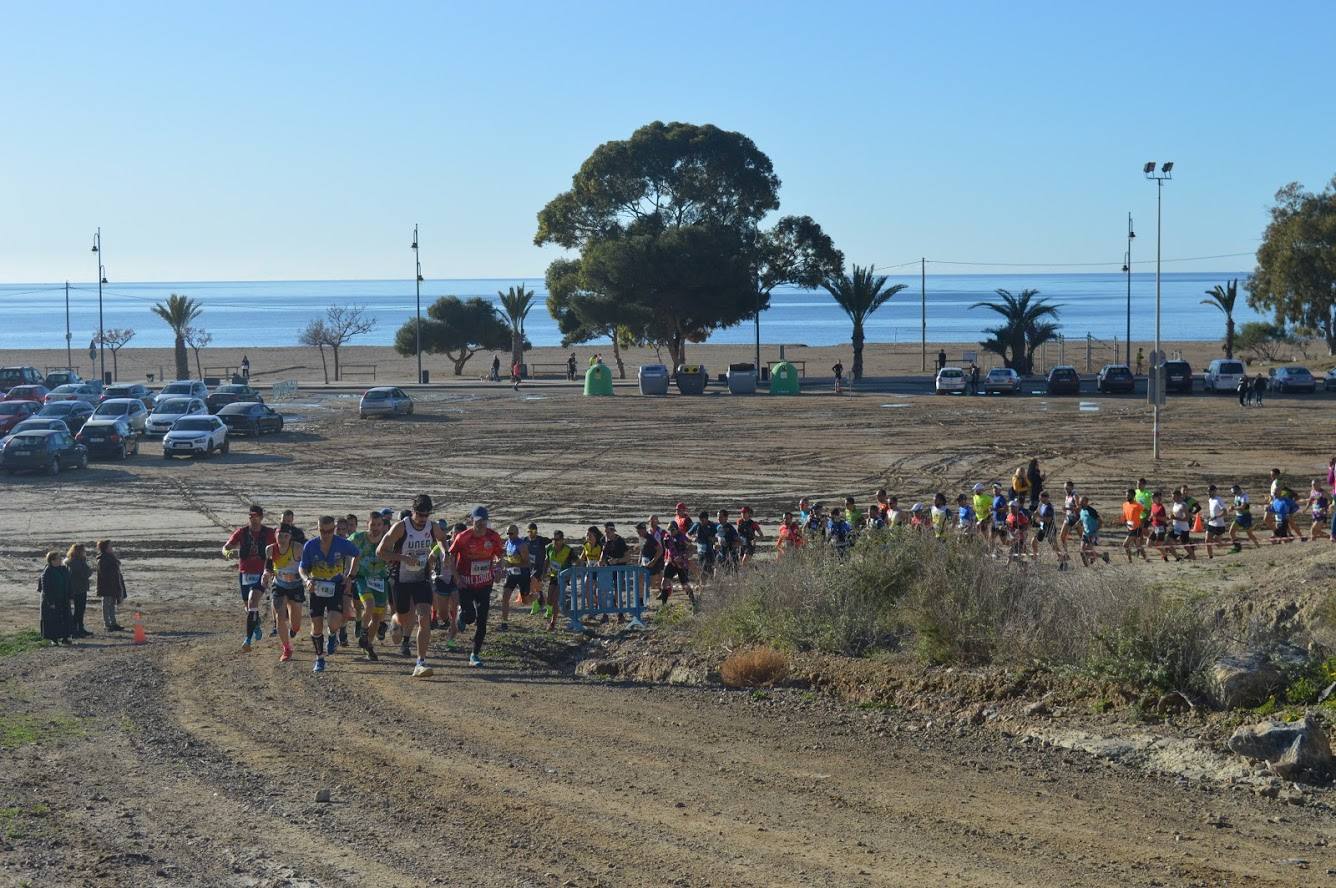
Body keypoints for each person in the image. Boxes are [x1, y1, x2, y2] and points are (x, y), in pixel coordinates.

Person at [377, 494, 450, 676]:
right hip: (400, 578)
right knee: (404, 618)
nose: (422, 519)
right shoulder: (401, 527)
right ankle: (394, 620)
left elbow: (442, 539)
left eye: (426, 515)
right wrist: (403, 558)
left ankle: (421, 662)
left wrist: (445, 553)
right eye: (419, 515)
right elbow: (381, 552)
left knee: (424, 618)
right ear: (413, 511)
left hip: (421, 577)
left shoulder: (431, 527)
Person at [299, 516, 360, 674]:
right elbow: (302, 568)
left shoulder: (342, 543)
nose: (325, 534)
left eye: (328, 531)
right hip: (316, 588)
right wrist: (306, 580)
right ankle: (319, 658)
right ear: (318, 529)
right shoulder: (310, 546)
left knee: (333, 623)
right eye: (321, 531)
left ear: (333, 529)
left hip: (336, 587)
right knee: (316, 626)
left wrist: (351, 577)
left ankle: (333, 634)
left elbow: (357, 554)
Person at [449, 506, 504, 667]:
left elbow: (500, 556)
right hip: (466, 583)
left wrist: (499, 569)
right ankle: (462, 615)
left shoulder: (493, 537)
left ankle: (475, 654)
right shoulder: (463, 537)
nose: (481, 525)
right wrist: (456, 578)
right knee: (470, 616)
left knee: (482, 621)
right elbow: (451, 557)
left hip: (485, 584)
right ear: (472, 521)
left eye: (484, 521)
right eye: (478, 521)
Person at [223, 504, 277, 653]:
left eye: (255, 516)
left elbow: (278, 548)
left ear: (261, 517)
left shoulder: (269, 533)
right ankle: (256, 624)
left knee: (253, 601)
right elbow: (227, 546)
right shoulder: (242, 532)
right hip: (244, 573)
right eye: (250, 516)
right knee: (248, 607)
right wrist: (227, 552)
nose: (252, 519)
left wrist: (274, 568)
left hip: (262, 572)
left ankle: (247, 640)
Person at [350, 511, 391, 660]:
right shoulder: (358, 538)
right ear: (367, 524)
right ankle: (363, 632)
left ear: (383, 526)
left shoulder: (387, 541)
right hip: (363, 578)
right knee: (369, 605)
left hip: (381, 581)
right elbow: (343, 547)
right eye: (372, 524)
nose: (376, 527)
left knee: (378, 617)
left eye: (379, 524)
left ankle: (368, 644)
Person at [265, 524, 305, 662]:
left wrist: (298, 577)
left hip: (296, 587)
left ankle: (293, 630)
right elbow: (268, 567)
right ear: (275, 535)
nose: (282, 539)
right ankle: (286, 648)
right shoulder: (270, 549)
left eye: (285, 536)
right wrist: (265, 574)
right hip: (279, 586)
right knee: (279, 618)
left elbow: (308, 567)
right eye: (279, 535)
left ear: (290, 537)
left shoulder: (298, 548)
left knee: (296, 624)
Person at [545, 530, 578, 630]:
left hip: (563, 578)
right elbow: (547, 560)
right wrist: (543, 572)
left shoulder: (568, 550)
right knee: (549, 601)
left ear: (562, 540)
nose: (555, 541)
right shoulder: (550, 548)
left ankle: (552, 623)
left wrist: (573, 573)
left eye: (557, 539)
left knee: (555, 599)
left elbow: (579, 562)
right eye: (554, 539)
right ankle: (565, 601)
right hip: (553, 576)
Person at [38, 551, 74, 645]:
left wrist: (70, 596)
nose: (60, 560)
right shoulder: (47, 571)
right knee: (53, 620)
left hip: (63, 598)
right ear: (52, 560)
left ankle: (65, 638)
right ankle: (54, 639)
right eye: (58, 558)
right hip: (53, 600)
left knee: (65, 618)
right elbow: (46, 589)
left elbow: (69, 583)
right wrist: (51, 602)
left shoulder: (63, 569)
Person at [499, 524, 530, 631]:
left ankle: (538, 597)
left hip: (523, 574)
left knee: (525, 601)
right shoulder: (508, 542)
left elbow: (527, 564)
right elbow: (505, 555)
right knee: (505, 597)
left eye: (511, 533)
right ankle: (504, 622)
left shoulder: (522, 545)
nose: (509, 535)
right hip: (511, 574)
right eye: (507, 533)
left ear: (517, 533)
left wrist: (513, 565)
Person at [95, 540, 127, 632]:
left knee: (112, 605)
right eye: (110, 546)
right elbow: (104, 575)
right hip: (106, 587)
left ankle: (113, 623)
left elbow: (116, 573)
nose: (111, 548)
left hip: (113, 585)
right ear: (105, 548)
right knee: (106, 605)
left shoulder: (111, 557)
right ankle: (107, 625)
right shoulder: (102, 559)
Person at [64, 543, 92, 637]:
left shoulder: (75, 561)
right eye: (83, 550)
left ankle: (80, 628)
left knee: (80, 609)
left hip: (79, 588)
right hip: (78, 589)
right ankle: (75, 630)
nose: (85, 552)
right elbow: (86, 573)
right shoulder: (75, 562)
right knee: (78, 610)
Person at [526, 523, 551, 619]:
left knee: (531, 581)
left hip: (540, 567)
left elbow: (551, 541)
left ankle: (536, 604)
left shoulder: (540, 540)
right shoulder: (525, 540)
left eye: (533, 531)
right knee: (538, 589)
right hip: (531, 567)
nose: (531, 534)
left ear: (536, 531)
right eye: (529, 531)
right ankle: (548, 607)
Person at [1077, 497, 1111, 566]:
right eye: (1079, 502)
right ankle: (1089, 564)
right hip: (1085, 534)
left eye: (1081, 502)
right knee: (1082, 551)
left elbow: (1100, 521)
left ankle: (1102, 557)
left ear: (1086, 502)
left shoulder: (1091, 511)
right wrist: (1073, 527)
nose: (1080, 504)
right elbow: (1081, 520)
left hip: (1092, 534)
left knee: (1087, 552)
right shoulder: (1082, 511)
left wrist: (1095, 531)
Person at [1228, 484, 1260, 551]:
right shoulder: (1236, 496)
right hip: (1238, 517)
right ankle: (1237, 547)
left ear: (1239, 490)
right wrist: (1232, 507)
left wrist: (1233, 508)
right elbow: (1236, 504)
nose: (1234, 494)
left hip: (1245, 517)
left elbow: (1243, 507)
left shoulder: (1244, 496)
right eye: (1233, 493)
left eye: (1234, 492)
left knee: (1249, 534)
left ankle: (1258, 546)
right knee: (1231, 532)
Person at [689, 510, 718, 579]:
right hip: (700, 552)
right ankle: (702, 584)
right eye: (700, 519)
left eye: (703, 519)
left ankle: (711, 583)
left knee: (710, 568)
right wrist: (692, 538)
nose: (701, 521)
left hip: (710, 551)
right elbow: (687, 534)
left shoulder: (712, 525)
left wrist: (713, 539)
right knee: (701, 568)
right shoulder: (697, 525)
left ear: (707, 518)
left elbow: (718, 536)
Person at [1120, 489, 1148, 562]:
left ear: (1133, 496)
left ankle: (1130, 561)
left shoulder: (1137, 505)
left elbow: (1146, 511)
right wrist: (1123, 521)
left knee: (1125, 544)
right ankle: (1146, 559)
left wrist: (1143, 520)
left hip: (1136, 528)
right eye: (1126, 495)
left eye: (1128, 495)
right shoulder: (1124, 504)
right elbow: (1124, 515)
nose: (1126, 496)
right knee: (1138, 545)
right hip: (1129, 527)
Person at [1203, 485, 1230, 558]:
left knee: (1218, 544)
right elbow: (1213, 511)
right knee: (1207, 540)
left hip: (1219, 525)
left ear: (1215, 491)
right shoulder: (1210, 500)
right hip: (1211, 524)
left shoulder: (1218, 500)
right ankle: (1210, 557)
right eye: (1208, 492)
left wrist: (1215, 517)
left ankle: (1234, 545)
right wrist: (1209, 517)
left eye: (1210, 491)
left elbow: (1225, 512)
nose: (1208, 493)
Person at [1170, 490, 1196, 560]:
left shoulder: (1183, 505)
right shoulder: (1175, 504)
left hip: (1184, 529)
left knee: (1185, 546)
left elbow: (1186, 519)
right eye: (1172, 497)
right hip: (1177, 528)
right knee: (1168, 541)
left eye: (1174, 497)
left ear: (1179, 496)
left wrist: (1175, 518)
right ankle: (1178, 558)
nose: (1172, 498)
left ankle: (1194, 559)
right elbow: (1175, 515)